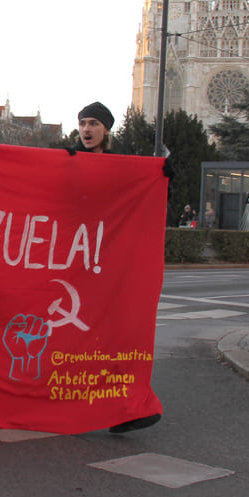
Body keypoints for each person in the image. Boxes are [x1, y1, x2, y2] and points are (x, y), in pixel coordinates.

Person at [67, 101, 160, 434]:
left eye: (93, 123)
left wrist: (159, 176)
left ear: (106, 129)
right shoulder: (66, 160)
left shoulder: (123, 166)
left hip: (109, 263)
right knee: (68, 336)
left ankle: (128, 407)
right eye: (82, 123)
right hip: (71, 261)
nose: (86, 130)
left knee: (115, 336)